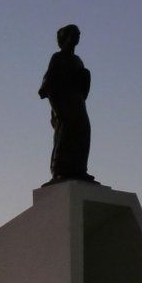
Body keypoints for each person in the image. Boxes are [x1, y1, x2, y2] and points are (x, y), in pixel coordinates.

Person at [39, 24, 96, 185]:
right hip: (63, 103)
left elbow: (83, 84)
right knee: (65, 137)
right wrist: (57, 109)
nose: (77, 37)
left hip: (77, 103)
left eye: (78, 34)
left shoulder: (78, 60)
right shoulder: (58, 58)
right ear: (65, 38)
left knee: (83, 133)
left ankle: (79, 170)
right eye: (73, 34)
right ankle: (60, 171)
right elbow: (48, 86)